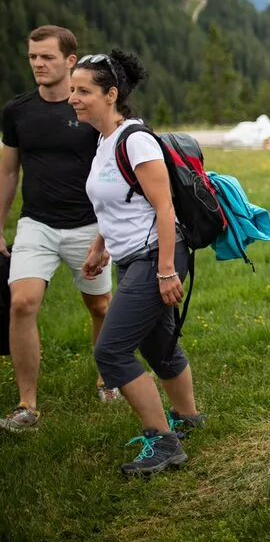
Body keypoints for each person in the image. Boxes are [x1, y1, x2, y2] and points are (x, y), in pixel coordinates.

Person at [68, 50, 205, 476]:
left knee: (110, 353)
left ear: (111, 95)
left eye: (83, 90)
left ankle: (163, 442)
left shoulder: (136, 140)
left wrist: (166, 270)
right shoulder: (105, 141)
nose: (73, 97)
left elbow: (164, 209)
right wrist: (99, 246)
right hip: (131, 257)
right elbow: (117, 207)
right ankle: (186, 419)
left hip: (156, 257)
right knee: (157, 344)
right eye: (73, 89)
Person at [0, 26, 118, 433]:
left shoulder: (88, 108)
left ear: (70, 61)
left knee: (100, 307)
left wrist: (108, 234)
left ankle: (107, 378)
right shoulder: (18, 111)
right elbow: (8, 171)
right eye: (32, 56)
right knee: (22, 303)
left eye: (46, 57)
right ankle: (27, 406)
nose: (37, 63)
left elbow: (113, 168)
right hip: (37, 224)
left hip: (89, 225)